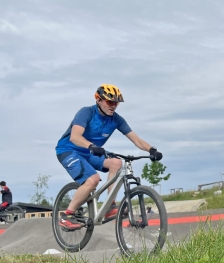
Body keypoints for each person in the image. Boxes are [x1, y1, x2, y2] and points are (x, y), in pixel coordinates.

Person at [55, 84, 162, 230]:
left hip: (89, 153)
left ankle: (110, 206)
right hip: (68, 151)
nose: (113, 106)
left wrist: (152, 150)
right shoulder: (86, 113)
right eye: (109, 102)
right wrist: (91, 146)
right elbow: (75, 137)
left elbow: (136, 140)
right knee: (93, 179)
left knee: (116, 163)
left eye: (116, 103)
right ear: (98, 100)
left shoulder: (116, 119)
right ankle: (67, 215)